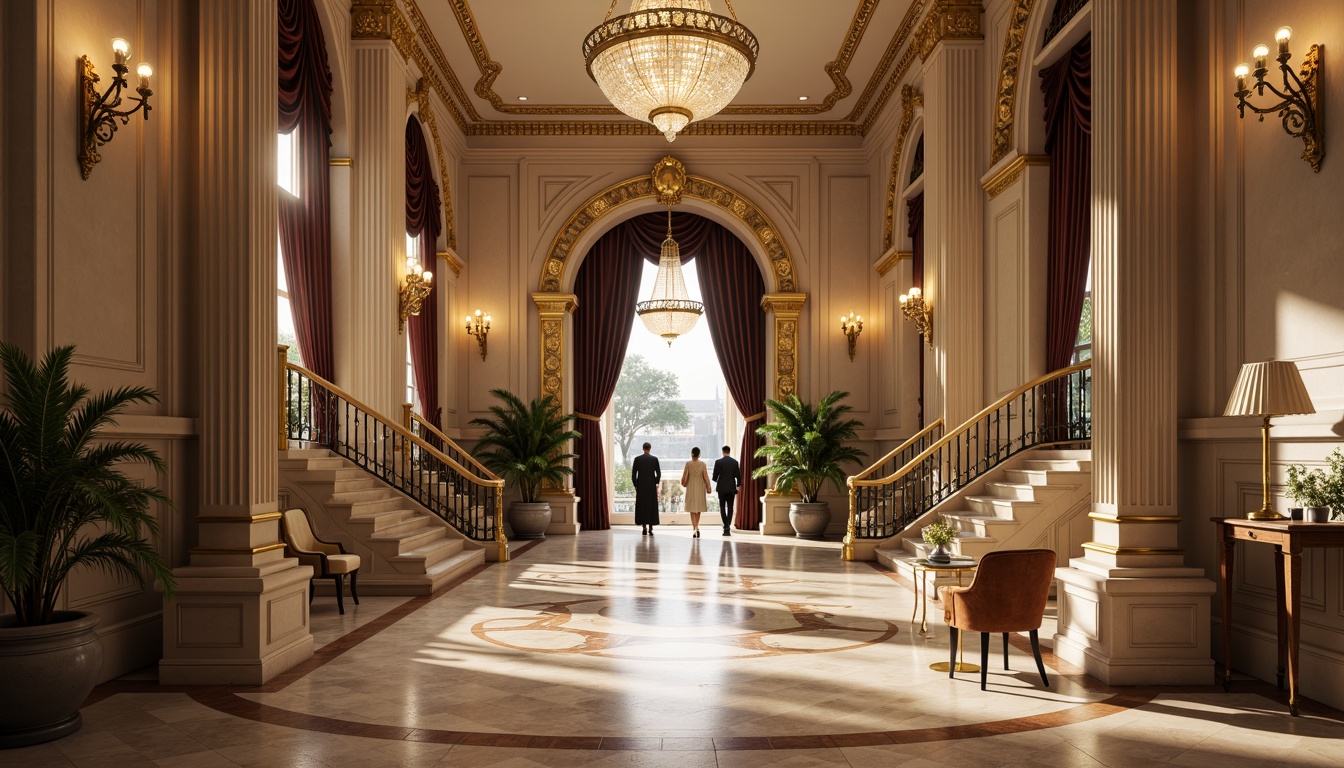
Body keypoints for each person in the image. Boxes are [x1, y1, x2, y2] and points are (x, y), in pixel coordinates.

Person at [680, 447, 711, 538]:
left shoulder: (688, 464)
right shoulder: (703, 464)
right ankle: (696, 527)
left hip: (691, 486)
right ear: (699, 454)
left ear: (691, 454)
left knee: (692, 508)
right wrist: (708, 487)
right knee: (698, 508)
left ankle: (694, 528)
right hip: (700, 486)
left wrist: (683, 483)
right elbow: (706, 477)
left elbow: (684, 476)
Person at [631, 442, 661, 536]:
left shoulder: (637, 459)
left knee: (642, 505)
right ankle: (651, 527)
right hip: (651, 485)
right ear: (650, 448)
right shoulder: (654, 459)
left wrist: (636, 485)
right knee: (651, 505)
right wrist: (656, 482)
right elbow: (658, 473)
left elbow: (633, 475)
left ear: (643, 448)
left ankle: (644, 526)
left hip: (641, 485)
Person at [712, 445, 740, 536]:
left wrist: (716, 479)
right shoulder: (734, 462)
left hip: (721, 488)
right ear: (729, 452)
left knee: (722, 507)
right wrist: (738, 485)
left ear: (723, 452)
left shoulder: (718, 462)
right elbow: (738, 477)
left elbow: (715, 477)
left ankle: (726, 526)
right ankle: (728, 526)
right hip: (731, 487)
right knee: (730, 507)